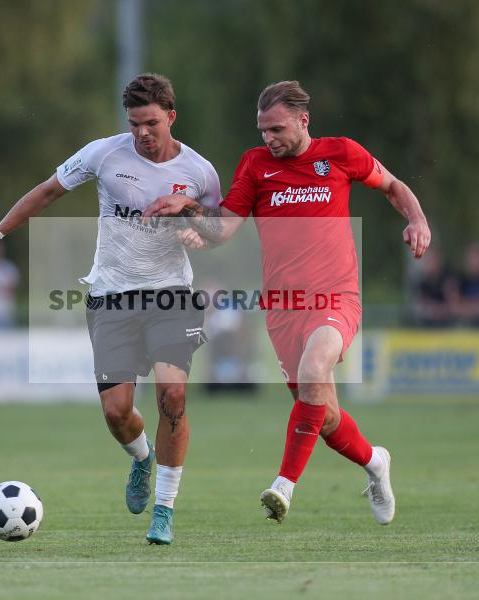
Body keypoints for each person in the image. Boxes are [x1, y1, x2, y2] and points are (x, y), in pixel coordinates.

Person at [144, 80, 430, 526]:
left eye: (277, 129)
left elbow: (392, 185)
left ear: (303, 120)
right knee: (326, 417)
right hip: (282, 310)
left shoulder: (341, 154)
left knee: (315, 372)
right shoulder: (255, 166)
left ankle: (283, 486)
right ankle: (375, 462)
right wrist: (189, 210)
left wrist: (416, 219)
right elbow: (224, 228)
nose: (269, 139)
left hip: (336, 297)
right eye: (263, 131)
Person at [0, 74, 221, 545]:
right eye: (134, 123)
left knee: (173, 398)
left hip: (172, 296)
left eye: (150, 123)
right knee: (117, 411)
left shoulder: (201, 172)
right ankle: (143, 459)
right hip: (112, 297)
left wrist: (191, 221)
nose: (142, 133)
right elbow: (46, 191)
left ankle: (164, 510)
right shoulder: (104, 153)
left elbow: (218, 232)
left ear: (171, 116)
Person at [410, 247, 458, 328]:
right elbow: (422, 306)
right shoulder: (422, 282)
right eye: (429, 261)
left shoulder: (448, 278)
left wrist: (438, 310)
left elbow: (453, 304)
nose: (431, 263)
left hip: (448, 323)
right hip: (427, 323)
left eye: (433, 260)